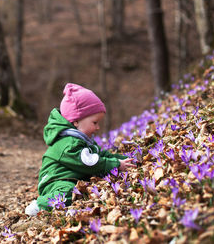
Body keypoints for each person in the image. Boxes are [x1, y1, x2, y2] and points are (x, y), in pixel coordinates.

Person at [25, 83, 136, 216]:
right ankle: (40, 205)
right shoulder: (69, 144)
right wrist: (116, 165)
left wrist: (125, 160)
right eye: (95, 123)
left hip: (71, 178)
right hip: (56, 181)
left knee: (79, 192)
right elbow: (89, 163)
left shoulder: (82, 139)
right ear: (76, 121)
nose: (98, 127)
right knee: (69, 192)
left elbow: (100, 154)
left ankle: (68, 209)